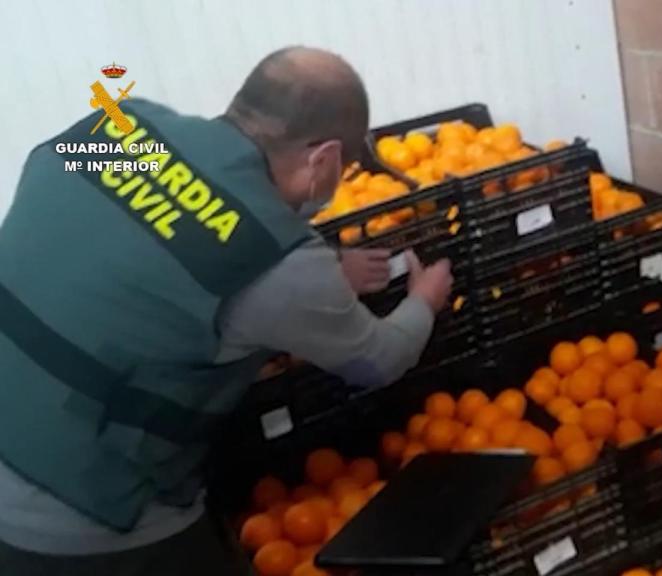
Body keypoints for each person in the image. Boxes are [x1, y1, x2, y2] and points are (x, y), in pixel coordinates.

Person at [0, 46, 452, 575]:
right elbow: (380, 359)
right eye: (345, 169)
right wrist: (423, 299)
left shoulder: (117, 128)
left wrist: (323, 272)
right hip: (84, 513)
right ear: (323, 158)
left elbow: (146, 241)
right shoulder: (284, 266)